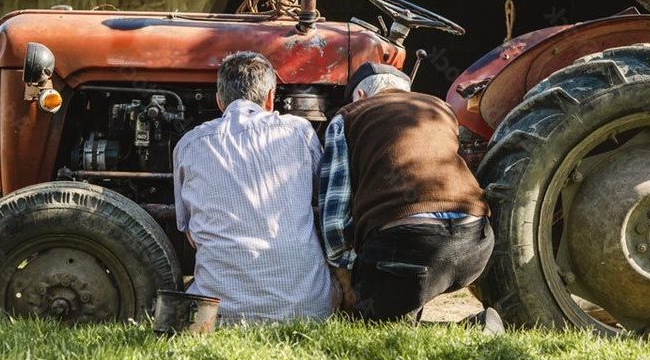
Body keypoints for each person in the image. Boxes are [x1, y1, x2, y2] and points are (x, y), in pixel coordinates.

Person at [318, 63, 499, 328]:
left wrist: (346, 281)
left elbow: (333, 220)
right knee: (409, 281)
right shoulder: (440, 108)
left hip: (409, 249)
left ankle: (470, 328)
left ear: (359, 96)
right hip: (475, 245)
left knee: (369, 322)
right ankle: (415, 306)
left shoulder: (347, 116)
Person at [173, 51, 334, 322]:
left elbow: (188, 230)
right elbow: (323, 198)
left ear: (219, 100)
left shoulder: (189, 144)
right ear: (270, 97)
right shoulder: (300, 131)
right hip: (308, 311)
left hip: (220, 315)